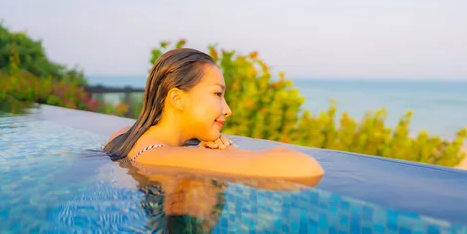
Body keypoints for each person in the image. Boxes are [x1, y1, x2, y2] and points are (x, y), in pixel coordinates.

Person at [103, 48, 324, 182]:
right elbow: (306, 168)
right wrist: (229, 152)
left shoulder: (124, 135)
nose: (228, 110)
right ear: (177, 99)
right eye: (217, 94)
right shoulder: (163, 156)